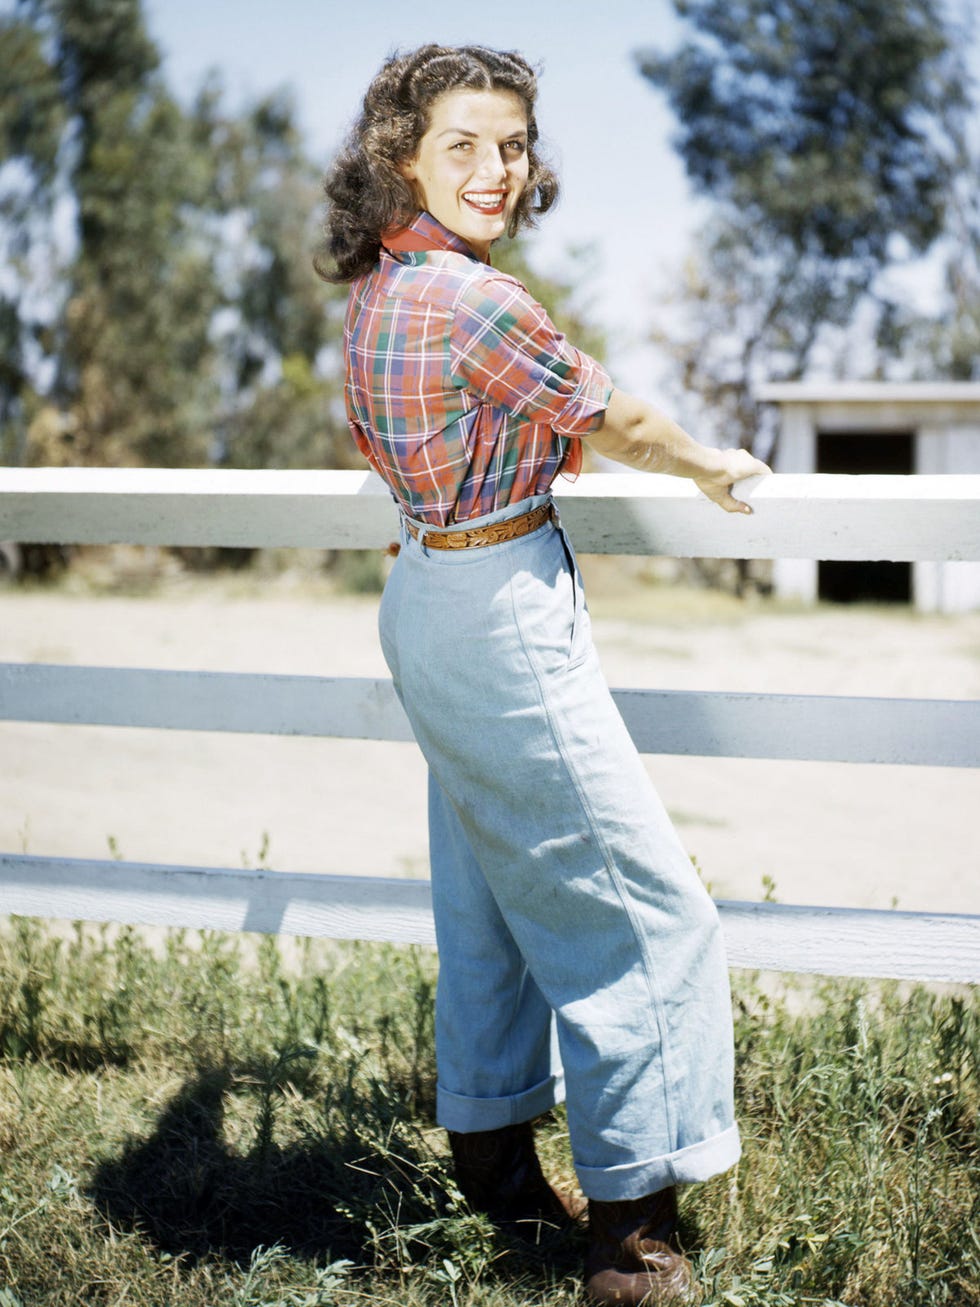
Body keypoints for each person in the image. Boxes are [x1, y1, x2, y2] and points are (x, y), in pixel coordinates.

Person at [317, 43, 770, 1306]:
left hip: (422, 590)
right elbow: (607, 416)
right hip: (498, 606)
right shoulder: (478, 303)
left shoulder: (381, 288)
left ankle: (493, 1159)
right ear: (402, 155)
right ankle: (633, 1233)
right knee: (643, 913)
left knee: (491, 890)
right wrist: (711, 464)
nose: (495, 168)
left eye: (511, 143)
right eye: (461, 142)